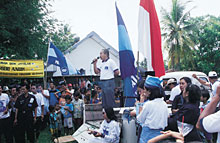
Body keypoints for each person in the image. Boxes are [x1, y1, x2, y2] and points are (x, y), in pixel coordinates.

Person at [137, 76, 169, 143]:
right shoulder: (164, 104)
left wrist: (140, 104)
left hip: (147, 135)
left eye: (145, 89)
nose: (144, 91)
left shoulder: (148, 104)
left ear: (150, 91)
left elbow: (140, 119)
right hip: (160, 135)